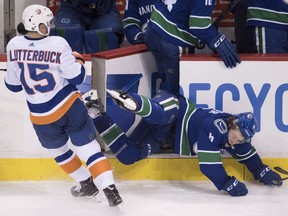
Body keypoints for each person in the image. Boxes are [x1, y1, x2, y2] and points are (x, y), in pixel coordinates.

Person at [4, 4, 122, 207]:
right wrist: (79, 60)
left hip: (41, 117)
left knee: (59, 152)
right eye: (45, 23)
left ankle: (86, 183)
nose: (49, 26)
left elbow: (12, 86)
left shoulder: (13, 45)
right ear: (35, 23)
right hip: (69, 107)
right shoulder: (58, 43)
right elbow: (76, 77)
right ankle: (109, 188)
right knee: (88, 149)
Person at [84, 89, 282, 197]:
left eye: (239, 140)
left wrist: (262, 171)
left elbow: (248, 155)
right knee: (159, 114)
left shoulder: (236, 133)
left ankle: (96, 112)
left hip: (164, 135)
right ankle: (132, 101)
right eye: (236, 136)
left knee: (128, 156)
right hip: (174, 109)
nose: (235, 141)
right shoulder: (216, 126)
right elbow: (209, 166)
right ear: (233, 124)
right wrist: (226, 183)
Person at [143, 0, 241, 96]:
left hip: (154, 31)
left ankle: (159, 106)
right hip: (173, 40)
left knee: (165, 86)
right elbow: (199, 25)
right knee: (174, 96)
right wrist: (217, 40)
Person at [54, 0, 124, 54]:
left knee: (106, 35)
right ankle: (70, 71)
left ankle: (104, 72)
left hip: (105, 8)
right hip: (72, 7)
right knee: (66, 34)